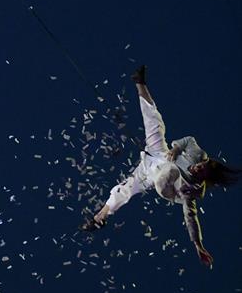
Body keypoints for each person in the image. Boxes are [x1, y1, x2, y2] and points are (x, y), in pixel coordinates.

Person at [81, 66, 239, 268]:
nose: (197, 168)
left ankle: (101, 215)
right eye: (200, 165)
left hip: (158, 179)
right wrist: (175, 147)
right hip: (161, 154)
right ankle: (139, 82)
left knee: (134, 186)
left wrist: (198, 244)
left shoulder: (191, 191)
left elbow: (191, 217)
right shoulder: (199, 155)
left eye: (200, 171)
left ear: (204, 179)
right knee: (155, 123)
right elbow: (188, 140)